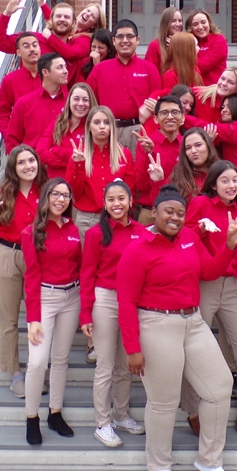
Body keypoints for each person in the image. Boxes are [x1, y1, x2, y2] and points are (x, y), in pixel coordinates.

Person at [116, 184, 237, 471]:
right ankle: (159, 465)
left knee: (220, 387)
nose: (175, 217)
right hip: (157, 325)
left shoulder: (188, 236)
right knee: (164, 402)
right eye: (168, 212)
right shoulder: (137, 249)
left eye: (180, 213)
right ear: (154, 213)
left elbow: (209, 271)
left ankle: (209, 461)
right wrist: (132, 349)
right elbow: (125, 303)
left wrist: (230, 245)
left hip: (194, 322)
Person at [182, 160, 237, 440]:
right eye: (225, 180)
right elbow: (186, 237)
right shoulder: (201, 204)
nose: (231, 185)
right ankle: (192, 411)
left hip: (232, 286)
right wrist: (203, 229)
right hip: (204, 284)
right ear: (213, 183)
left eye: (235, 180)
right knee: (193, 348)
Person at [0, 145, 48, 398]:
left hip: (38, 257)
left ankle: (37, 370)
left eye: (32, 160)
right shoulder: (4, 193)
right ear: (13, 168)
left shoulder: (47, 191)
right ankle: (15, 373)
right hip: (7, 255)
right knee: (8, 320)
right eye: (22, 162)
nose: (28, 166)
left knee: (37, 317)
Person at [79, 180, 147, 447]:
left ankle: (120, 415)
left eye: (121, 198)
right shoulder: (96, 234)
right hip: (105, 299)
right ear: (104, 204)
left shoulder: (142, 232)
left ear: (131, 201)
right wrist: (85, 314)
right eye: (111, 199)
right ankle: (102, 422)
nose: (116, 204)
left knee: (124, 365)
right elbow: (86, 274)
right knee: (105, 365)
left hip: (132, 301)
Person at [21, 178, 83, 446]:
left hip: (72, 297)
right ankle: (31, 417)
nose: (61, 199)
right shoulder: (31, 232)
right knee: (37, 362)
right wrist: (33, 318)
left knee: (61, 358)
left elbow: (81, 266)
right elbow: (32, 277)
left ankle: (54, 413)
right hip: (45, 298)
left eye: (66, 196)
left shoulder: (73, 229)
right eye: (56, 194)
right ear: (45, 197)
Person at [86, 20, 163, 155]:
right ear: (114, 41)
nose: (125, 40)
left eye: (130, 36)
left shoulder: (149, 69)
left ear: (138, 40)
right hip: (108, 131)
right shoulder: (99, 70)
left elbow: (158, 98)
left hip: (138, 131)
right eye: (120, 37)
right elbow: (89, 100)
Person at [66, 105, 137, 239]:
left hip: (117, 218)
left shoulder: (124, 155)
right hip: (88, 220)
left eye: (106, 122)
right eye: (97, 122)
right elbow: (75, 194)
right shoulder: (78, 155)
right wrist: (79, 165)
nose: (102, 126)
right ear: (89, 127)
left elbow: (130, 192)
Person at [0, 0, 104, 57]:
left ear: (73, 23)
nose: (62, 20)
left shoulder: (82, 42)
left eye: (93, 16)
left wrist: (50, 37)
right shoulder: (32, 39)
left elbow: (70, 53)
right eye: (88, 10)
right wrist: (6, 14)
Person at [186, 94, 237, 177]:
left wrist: (181, 117)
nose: (224, 110)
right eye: (223, 107)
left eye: (229, 106)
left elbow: (206, 127)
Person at [134, 96, 186, 224]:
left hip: (181, 211)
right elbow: (140, 184)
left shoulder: (188, 144)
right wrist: (149, 153)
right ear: (156, 119)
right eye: (164, 113)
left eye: (174, 112)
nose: (170, 117)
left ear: (183, 118)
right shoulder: (146, 143)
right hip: (150, 212)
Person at [6, 53, 69, 154]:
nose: (66, 71)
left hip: (65, 165)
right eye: (60, 67)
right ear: (45, 72)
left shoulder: (73, 103)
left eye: (65, 67)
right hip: (35, 165)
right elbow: (13, 140)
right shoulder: (24, 103)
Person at [37, 82, 96, 179]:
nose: (81, 104)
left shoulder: (93, 127)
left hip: (81, 183)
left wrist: (55, 150)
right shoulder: (56, 125)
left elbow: (90, 157)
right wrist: (68, 163)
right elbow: (40, 152)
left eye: (85, 100)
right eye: (76, 99)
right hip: (54, 184)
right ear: (69, 101)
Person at [0, 32, 44, 139]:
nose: (32, 49)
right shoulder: (10, 80)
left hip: (50, 143)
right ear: (18, 52)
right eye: (26, 46)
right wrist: (10, 137)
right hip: (23, 144)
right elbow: (2, 112)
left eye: (35, 45)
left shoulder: (52, 76)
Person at [169, 127, 220, 202]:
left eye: (198, 145)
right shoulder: (178, 175)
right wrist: (157, 180)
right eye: (188, 148)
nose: (193, 151)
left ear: (208, 145)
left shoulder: (224, 171)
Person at [187, 9, 228, 86]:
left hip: (213, 89)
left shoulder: (219, 40)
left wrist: (189, 57)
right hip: (193, 89)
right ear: (190, 27)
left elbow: (203, 66)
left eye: (203, 22)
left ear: (209, 22)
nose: (200, 27)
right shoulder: (189, 41)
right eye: (195, 24)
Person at [145, 7, 184, 73]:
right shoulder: (155, 45)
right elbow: (150, 72)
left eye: (180, 21)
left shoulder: (185, 43)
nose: (177, 24)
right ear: (165, 23)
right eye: (173, 21)